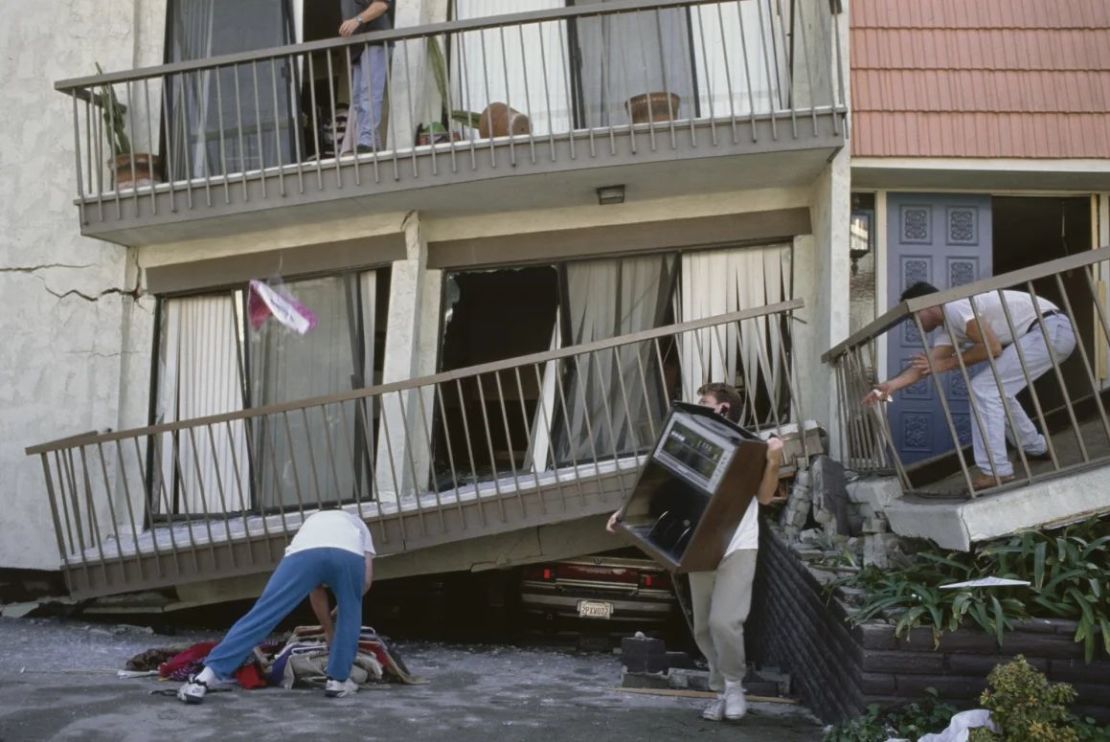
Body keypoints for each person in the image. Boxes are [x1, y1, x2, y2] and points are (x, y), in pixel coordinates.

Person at [606, 382, 784, 722]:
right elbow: (663, 482)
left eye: (704, 402)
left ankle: (734, 686)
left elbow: (763, 498)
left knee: (725, 621)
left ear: (723, 410)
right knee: (703, 627)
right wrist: (624, 512)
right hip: (701, 543)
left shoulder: (753, 449)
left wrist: (773, 459)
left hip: (737, 544)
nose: (698, 407)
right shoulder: (694, 442)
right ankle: (722, 690)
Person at [865, 281, 1076, 490]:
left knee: (984, 389)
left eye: (913, 316)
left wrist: (946, 364)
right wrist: (892, 385)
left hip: (1050, 330)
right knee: (995, 391)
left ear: (926, 305)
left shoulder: (956, 307)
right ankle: (1035, 448)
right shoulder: (950, 329)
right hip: (1049, 332)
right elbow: (927, 365)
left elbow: (992, 348)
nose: (913, 322)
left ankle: (997, 471)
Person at [176, 509, 375, 703]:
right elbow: (365, 582)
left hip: (304, 554)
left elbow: (315, 590)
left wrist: (327, 628)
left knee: (263, 614)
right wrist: (346, 604)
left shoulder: (313, 522)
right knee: (351, 614)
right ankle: (338, 681)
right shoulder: (361, 528)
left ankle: (203, 679)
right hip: (347, 555)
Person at [339, 0, 392, 153]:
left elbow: (382, 4)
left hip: (374, 40)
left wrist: (357, 20)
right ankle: (370, 144)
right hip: (358, 48)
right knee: (357, 100)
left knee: (369, 94)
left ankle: (367, 142)